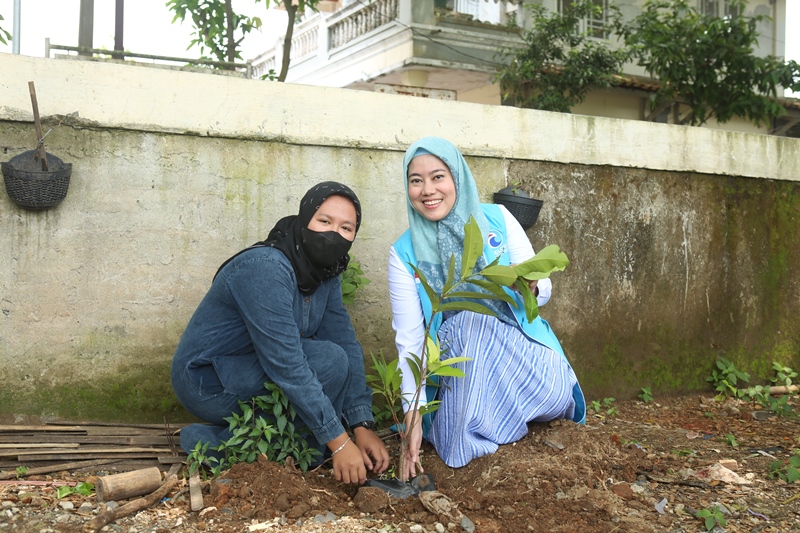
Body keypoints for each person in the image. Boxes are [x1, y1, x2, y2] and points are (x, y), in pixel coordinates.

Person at [389, 137, 586, 480]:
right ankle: (472, 443)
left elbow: (543, 291)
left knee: (555, 394)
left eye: (438, 177)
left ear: (457, 179)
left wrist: (530, 286)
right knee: (469, 323)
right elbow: (409, 340)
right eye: (415, 180)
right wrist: (413, 420)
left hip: (519, 350)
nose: (427, 189)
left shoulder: (499, 220)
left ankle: (491, 422)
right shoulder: (403, 254)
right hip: (461, 365)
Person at [171, 181, 389, 485]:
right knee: (327, 361)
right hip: (207, 380)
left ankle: (305, 452)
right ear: (304, 218)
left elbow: (344, 340)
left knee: (335, 356)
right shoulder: (265, 268)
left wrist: (361, 423)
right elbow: (284, 362)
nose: (332, 235)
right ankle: (209, 442)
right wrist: (339, 440)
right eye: (324, 221)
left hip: (253, 371)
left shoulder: (325, 272)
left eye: (346, 228)